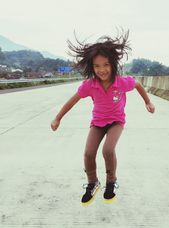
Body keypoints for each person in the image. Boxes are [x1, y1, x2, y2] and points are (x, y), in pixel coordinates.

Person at [51, 30, 155, 206]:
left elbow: (137, 84)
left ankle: (111, 182)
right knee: (89, 153)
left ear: (113, 64)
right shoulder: (89, 85)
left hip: (116, 122)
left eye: (106, 64)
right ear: (92, 67)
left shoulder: (122, 82)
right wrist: (58, 118)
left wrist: (148, 102)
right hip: (98, 123)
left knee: (108, 150)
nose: (102, 70)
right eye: (97, 66)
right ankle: (93, 183)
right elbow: (73, 100)